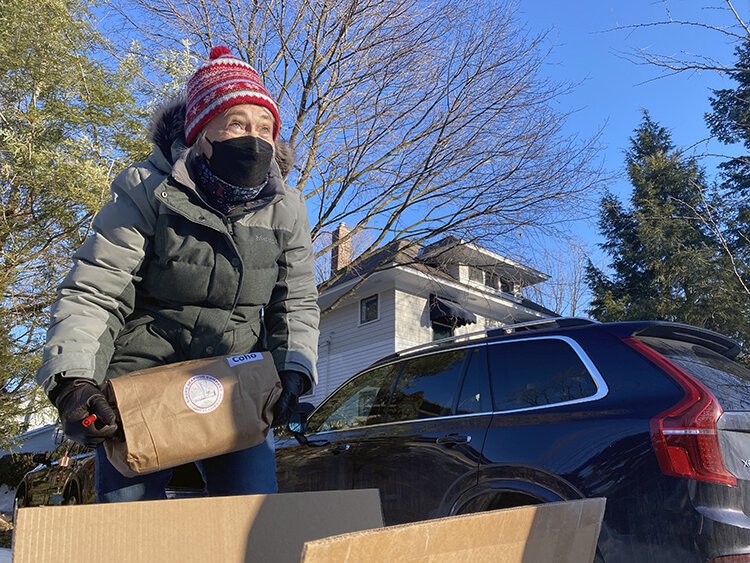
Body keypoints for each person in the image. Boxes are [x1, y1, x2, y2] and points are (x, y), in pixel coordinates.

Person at [36, 46, 319, 502]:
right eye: (238, 124)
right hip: (139, 384)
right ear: (200, 132)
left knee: (251, 512)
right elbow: (96, 289)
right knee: (130, 520)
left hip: (237, 381)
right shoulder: (145, 189)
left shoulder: (286, 208)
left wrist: (292, 371)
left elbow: (297, 301)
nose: (255, 139)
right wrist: (73, 380)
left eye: (265, 128)